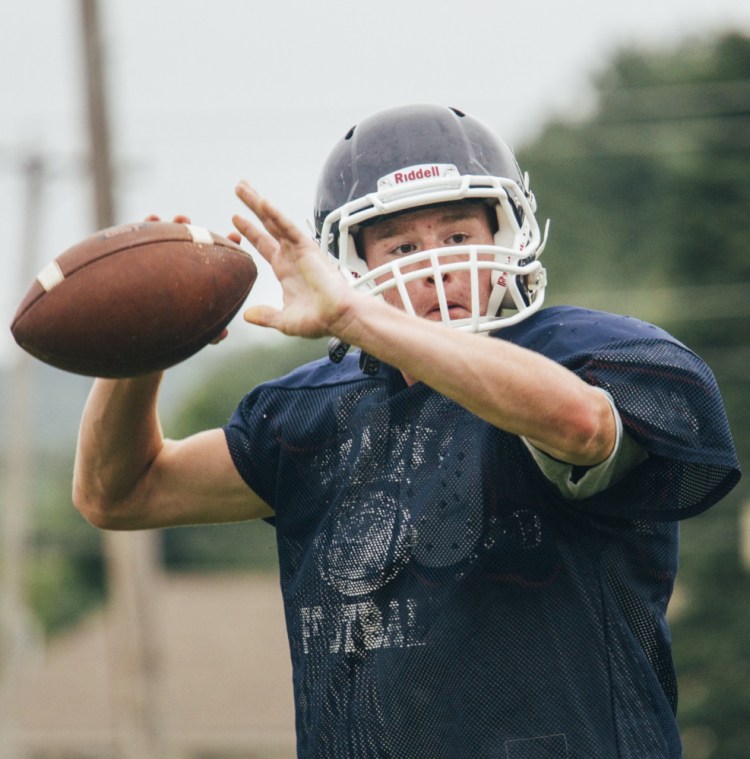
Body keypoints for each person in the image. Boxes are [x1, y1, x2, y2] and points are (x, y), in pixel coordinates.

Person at [73, 104, 741, 758]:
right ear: (352, 262)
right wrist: (141, 348)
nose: (436, 264)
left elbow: (580, 422)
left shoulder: (584, 356)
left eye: (456, 237)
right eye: (402, 246)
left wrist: (358, 320)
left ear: (507, 235)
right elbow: (120, 491)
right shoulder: (310, 410)